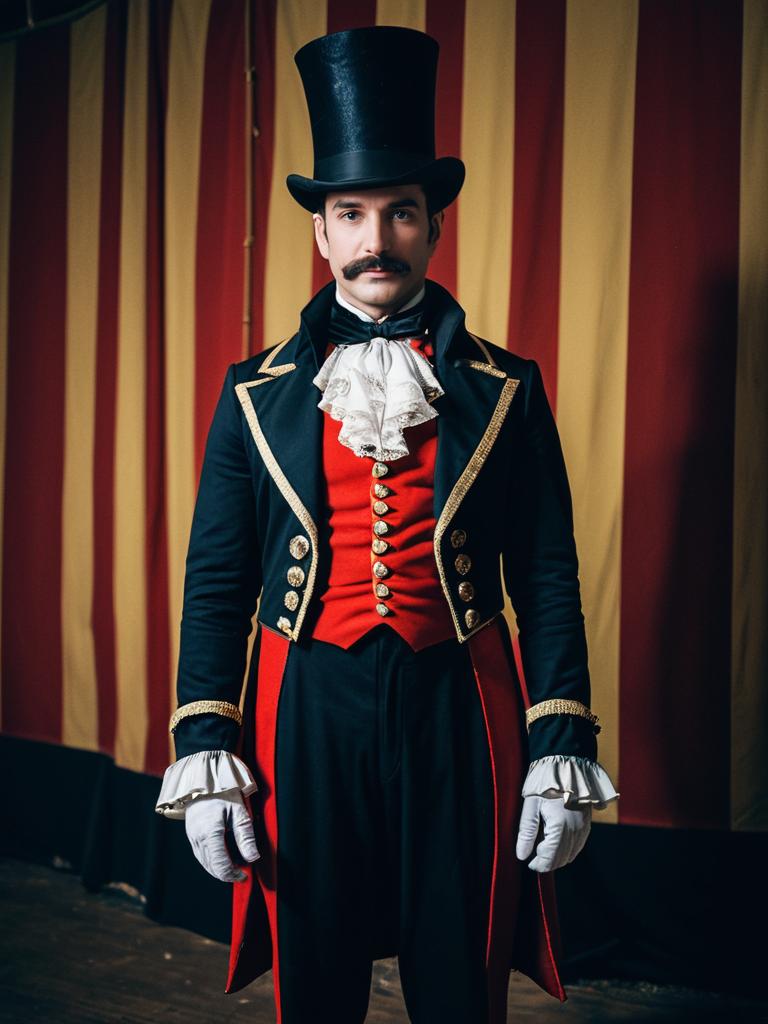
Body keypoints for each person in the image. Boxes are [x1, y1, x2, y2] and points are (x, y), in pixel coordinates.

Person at [155, 25, 618, 1024]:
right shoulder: (252, 396)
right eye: (351, 213)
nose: (376, 239)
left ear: (433, 226)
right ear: (321, 232)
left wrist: (561, 740)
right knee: (313, 960)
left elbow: (543, 569)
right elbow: (217, 580)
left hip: (461, 694)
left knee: (460, 961)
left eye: (399, 213)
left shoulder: (507, 387)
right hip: (304, 701)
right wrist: (205, 739)